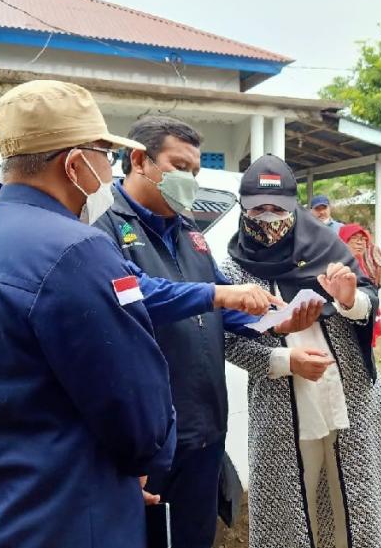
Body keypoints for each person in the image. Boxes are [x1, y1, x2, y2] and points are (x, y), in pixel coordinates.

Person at [0, 80, 180, 548]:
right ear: (75, 164)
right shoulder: (78, 250)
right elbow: (137, 415)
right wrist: (145, 465)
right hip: (64, 521)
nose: (110, 171)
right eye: (104, 154)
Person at [92, 117, 297, 548]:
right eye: (179, 165)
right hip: (149, 438)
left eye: (195, 171)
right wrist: (221, 295)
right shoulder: (104, 230)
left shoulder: (192, 236)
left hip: (204, 428)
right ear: (139, 160)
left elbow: (225, 307)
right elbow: (136, 297)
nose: (189, 179)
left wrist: (277, 322)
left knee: (194, 537)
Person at [220, 154, 381, 548]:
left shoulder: (325, 246)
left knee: (359, 501)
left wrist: (350, 301)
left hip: (348, 395)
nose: (268, 218)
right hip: (282, 405)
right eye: (258, 209)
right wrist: (284, 361)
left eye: (278, 208)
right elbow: (227, 340)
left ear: (294, 206)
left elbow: (366, 296)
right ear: (243, 208)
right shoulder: (232, 269)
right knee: (290, 511)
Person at [339, 223, 381, 346]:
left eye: (363, 239)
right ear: (343, 240)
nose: (360, 243)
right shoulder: (338, 264)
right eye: (354, 238)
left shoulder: (359, 262)